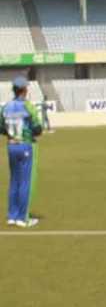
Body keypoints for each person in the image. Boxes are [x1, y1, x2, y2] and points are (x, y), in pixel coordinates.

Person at [2, 75, 42, 227]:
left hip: (11, 146)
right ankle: (22, 218)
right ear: (24, 90)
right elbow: (37, 129)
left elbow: (1, 128)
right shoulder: (28, 106)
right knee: (25, 182)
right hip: (25, 146)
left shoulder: (5, 107)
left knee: (14, 181)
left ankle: (12, 216)